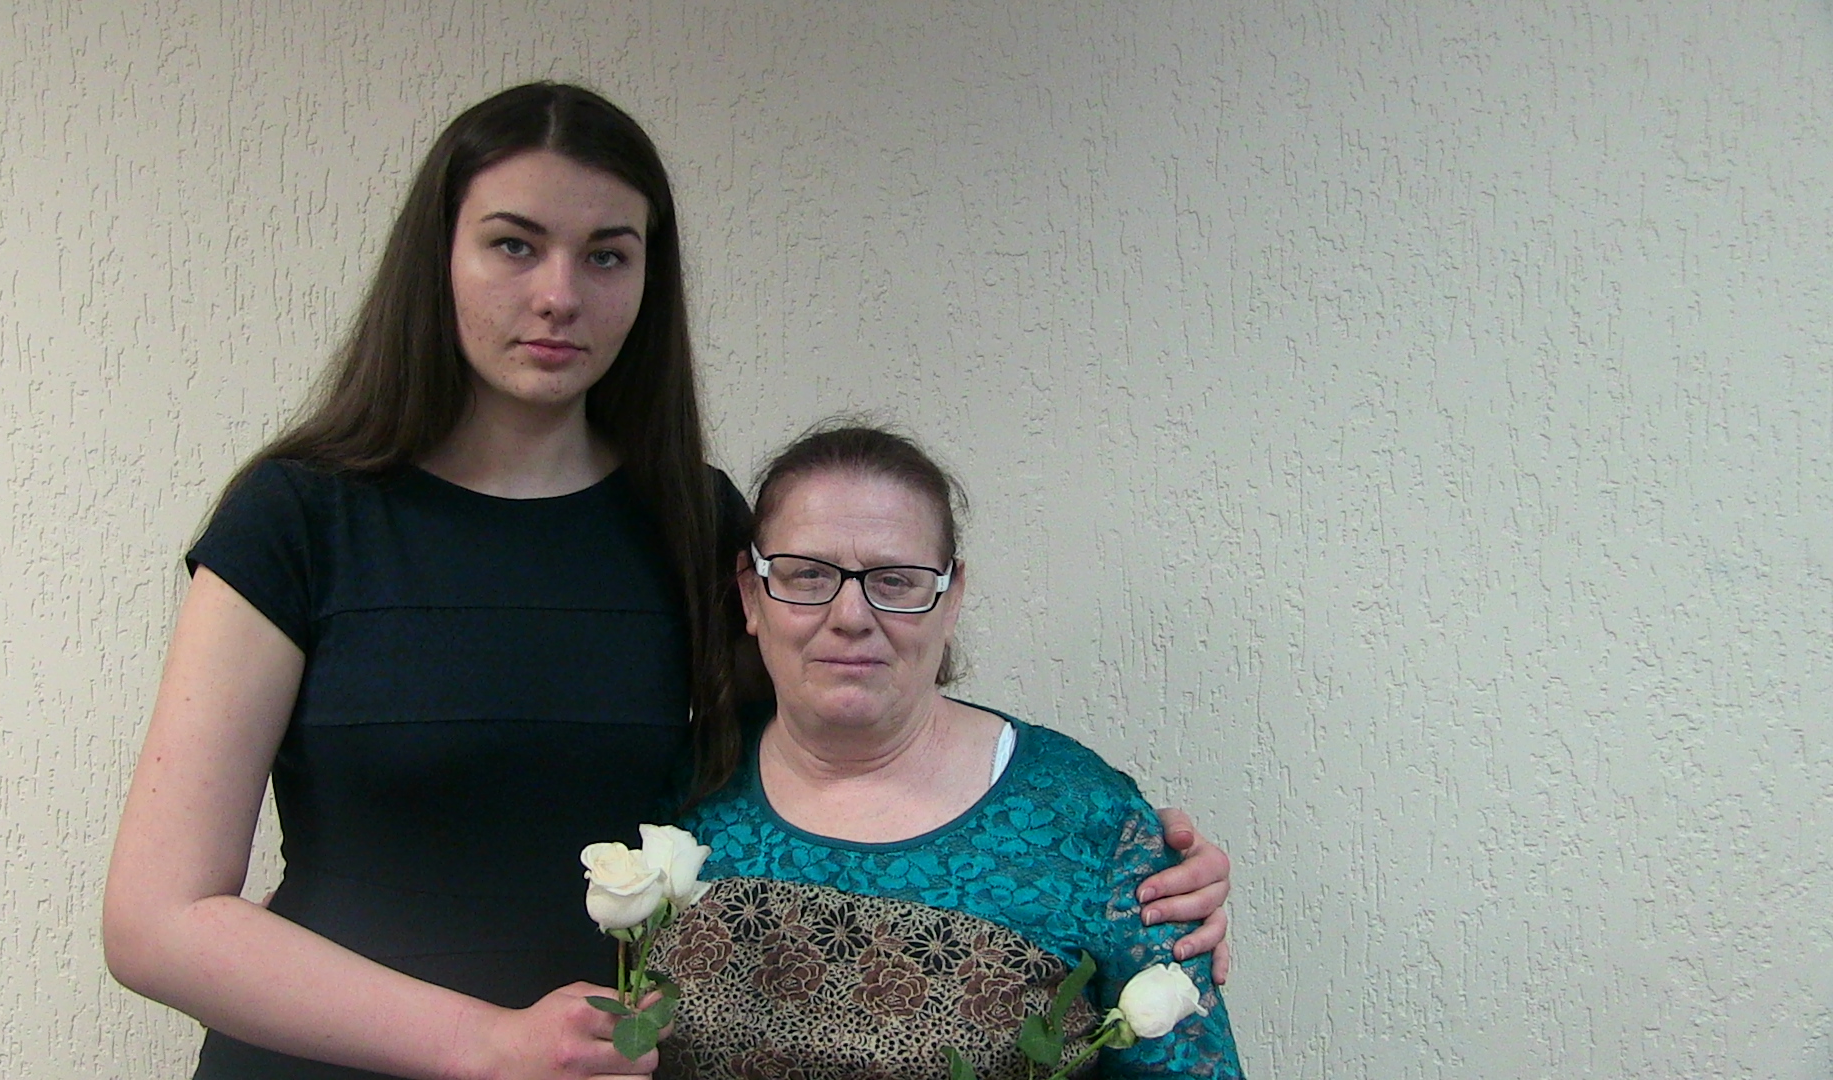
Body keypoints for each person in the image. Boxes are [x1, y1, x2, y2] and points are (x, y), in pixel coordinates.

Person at [102, 83, 1233, 1080]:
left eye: (607, 254)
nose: (560, 294)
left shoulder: (693, 524)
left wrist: (1120, 874)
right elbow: (156, 922)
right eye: (513, 245)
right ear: (437, 257)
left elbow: (849, 753)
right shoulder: (300, 517)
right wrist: (486, 1047)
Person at [653, 425, 1241, 1079]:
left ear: (951, 595)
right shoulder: (679, 786)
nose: (850, 616)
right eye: (808, 575)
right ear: (750, 592)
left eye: (895, 581)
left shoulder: (1086, 819)